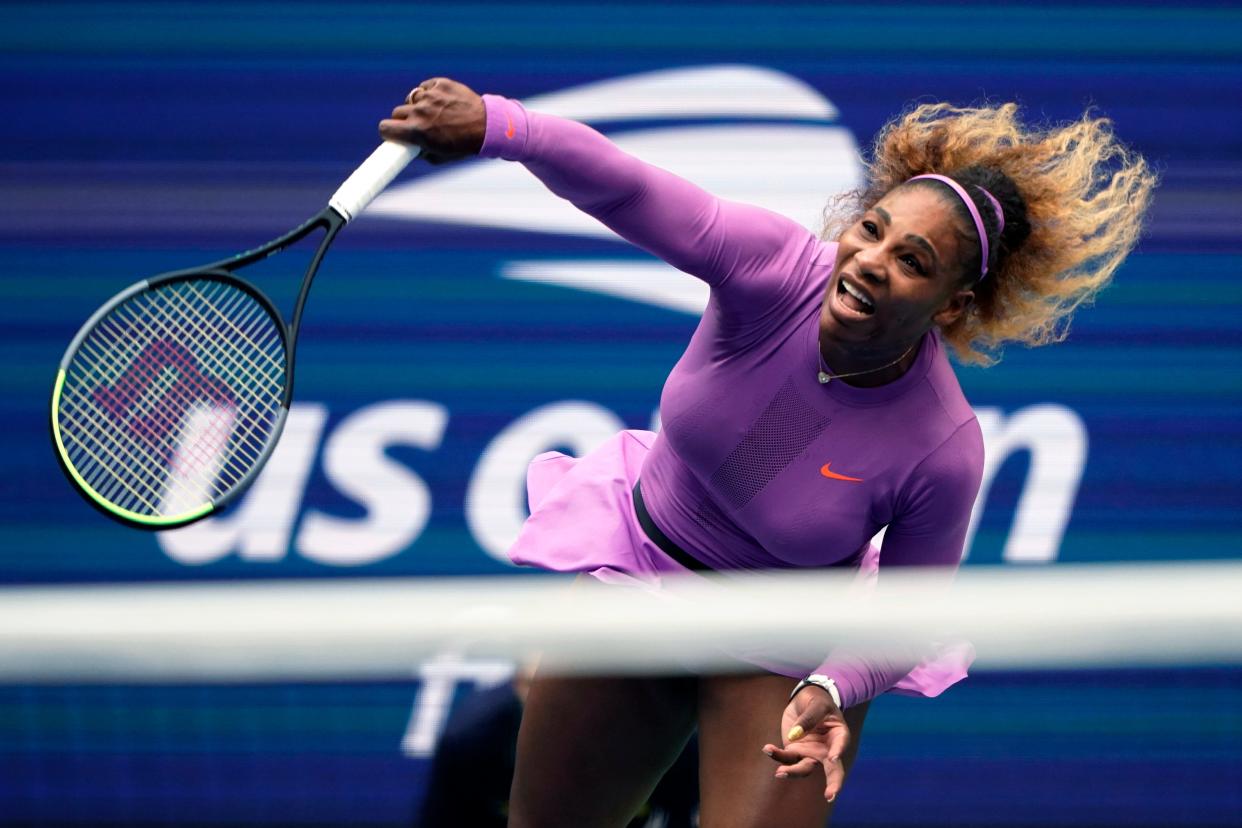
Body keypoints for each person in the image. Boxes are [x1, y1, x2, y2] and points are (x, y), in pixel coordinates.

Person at [380, 77, 1155, 828]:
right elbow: (626, 188)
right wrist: (499, 125)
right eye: (872, 228)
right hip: (642, 578)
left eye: (914, 261)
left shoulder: (942, 446)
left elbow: (907, 618)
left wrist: (833, 685)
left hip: (787, 643)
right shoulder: (769, 269)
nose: (872, 260)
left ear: (951, 304)